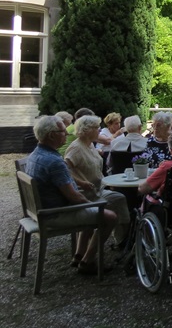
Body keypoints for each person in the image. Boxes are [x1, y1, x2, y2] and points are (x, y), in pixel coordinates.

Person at [26, 116, 117, 275]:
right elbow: (74, 197)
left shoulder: (35, 154)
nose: (67, 135)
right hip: (54, 214)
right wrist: (93, 203)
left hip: (41, 211)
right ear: (52, 135)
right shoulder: (55, 162)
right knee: (109, 217)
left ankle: (79, 255)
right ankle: (87, 262)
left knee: (92, 210)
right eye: (62, 131)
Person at [65, 115, 130, 249]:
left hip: (97, 189)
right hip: (87, 195)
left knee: (120, 198)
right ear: (87, 130)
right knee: (119, 200)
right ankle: (122, 238)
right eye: (96, 128)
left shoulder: (89, 145)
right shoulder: (77, 148)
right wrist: (81, 182)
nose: (99, 131)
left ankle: (122, 236)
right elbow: (65, 169)